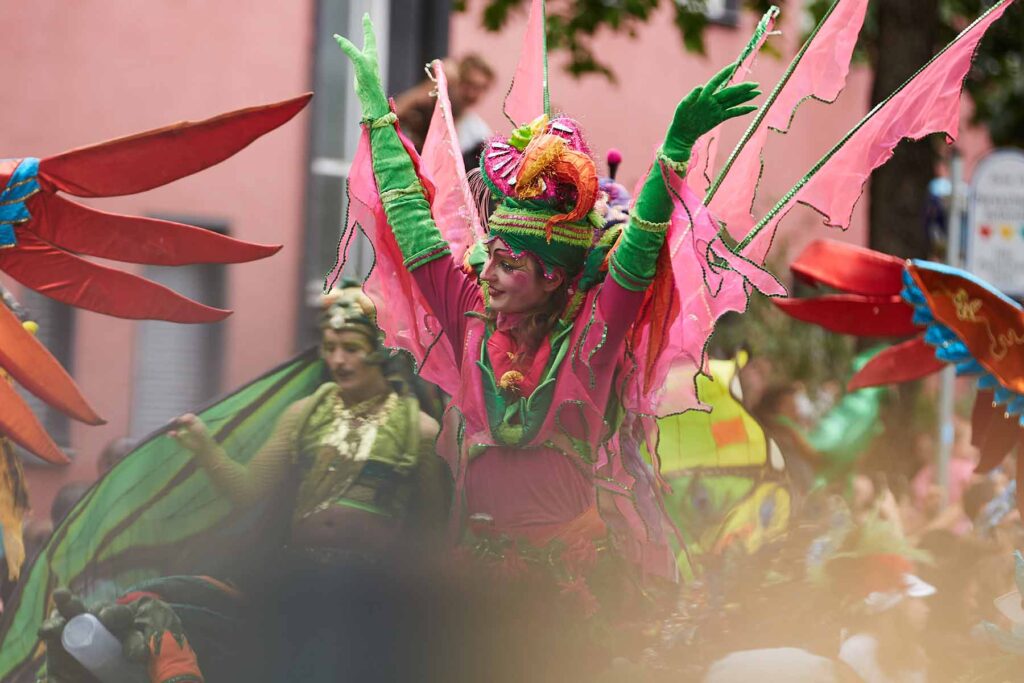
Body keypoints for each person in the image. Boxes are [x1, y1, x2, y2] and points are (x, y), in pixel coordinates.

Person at [335, 15, 760, 617]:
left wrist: (674, 151)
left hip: (572, 592)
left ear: (553, 276)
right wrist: (381, 124)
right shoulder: (472, 320)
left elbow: (639, 253)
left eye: (509, 264)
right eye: (490, 259)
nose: (486, 273)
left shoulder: (591, 337)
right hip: (474, 585)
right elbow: (416, 234)